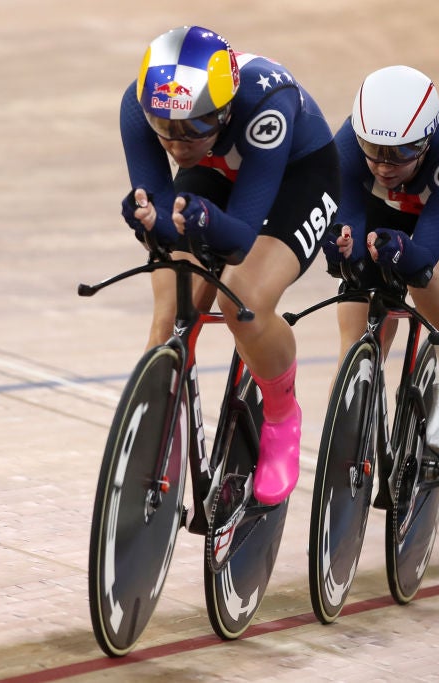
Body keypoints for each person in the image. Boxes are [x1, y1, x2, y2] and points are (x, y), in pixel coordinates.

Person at [118, 25, 340, 506]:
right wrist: (151, 220)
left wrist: (197, 221)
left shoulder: (268, 106)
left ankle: (282, 415)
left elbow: (238, 239)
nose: (177, 145)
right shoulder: (144, 107)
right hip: (216, 168)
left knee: (244, 302)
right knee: (170, 311)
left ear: (223, 110)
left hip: (297, 177)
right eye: (166, 129)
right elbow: (159, 213)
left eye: (194, 126)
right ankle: (162, 425)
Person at [321, 65, 439, 450]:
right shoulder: (349, 142)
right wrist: (345, 248)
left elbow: (423, 256)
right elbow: (350, 219)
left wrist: (403, 252)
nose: (385, 166)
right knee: (357, 292)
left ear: (425, 142)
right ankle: (355, 393)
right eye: (374, 153)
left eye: (400, 153)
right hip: (393, 206)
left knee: (431, 277)